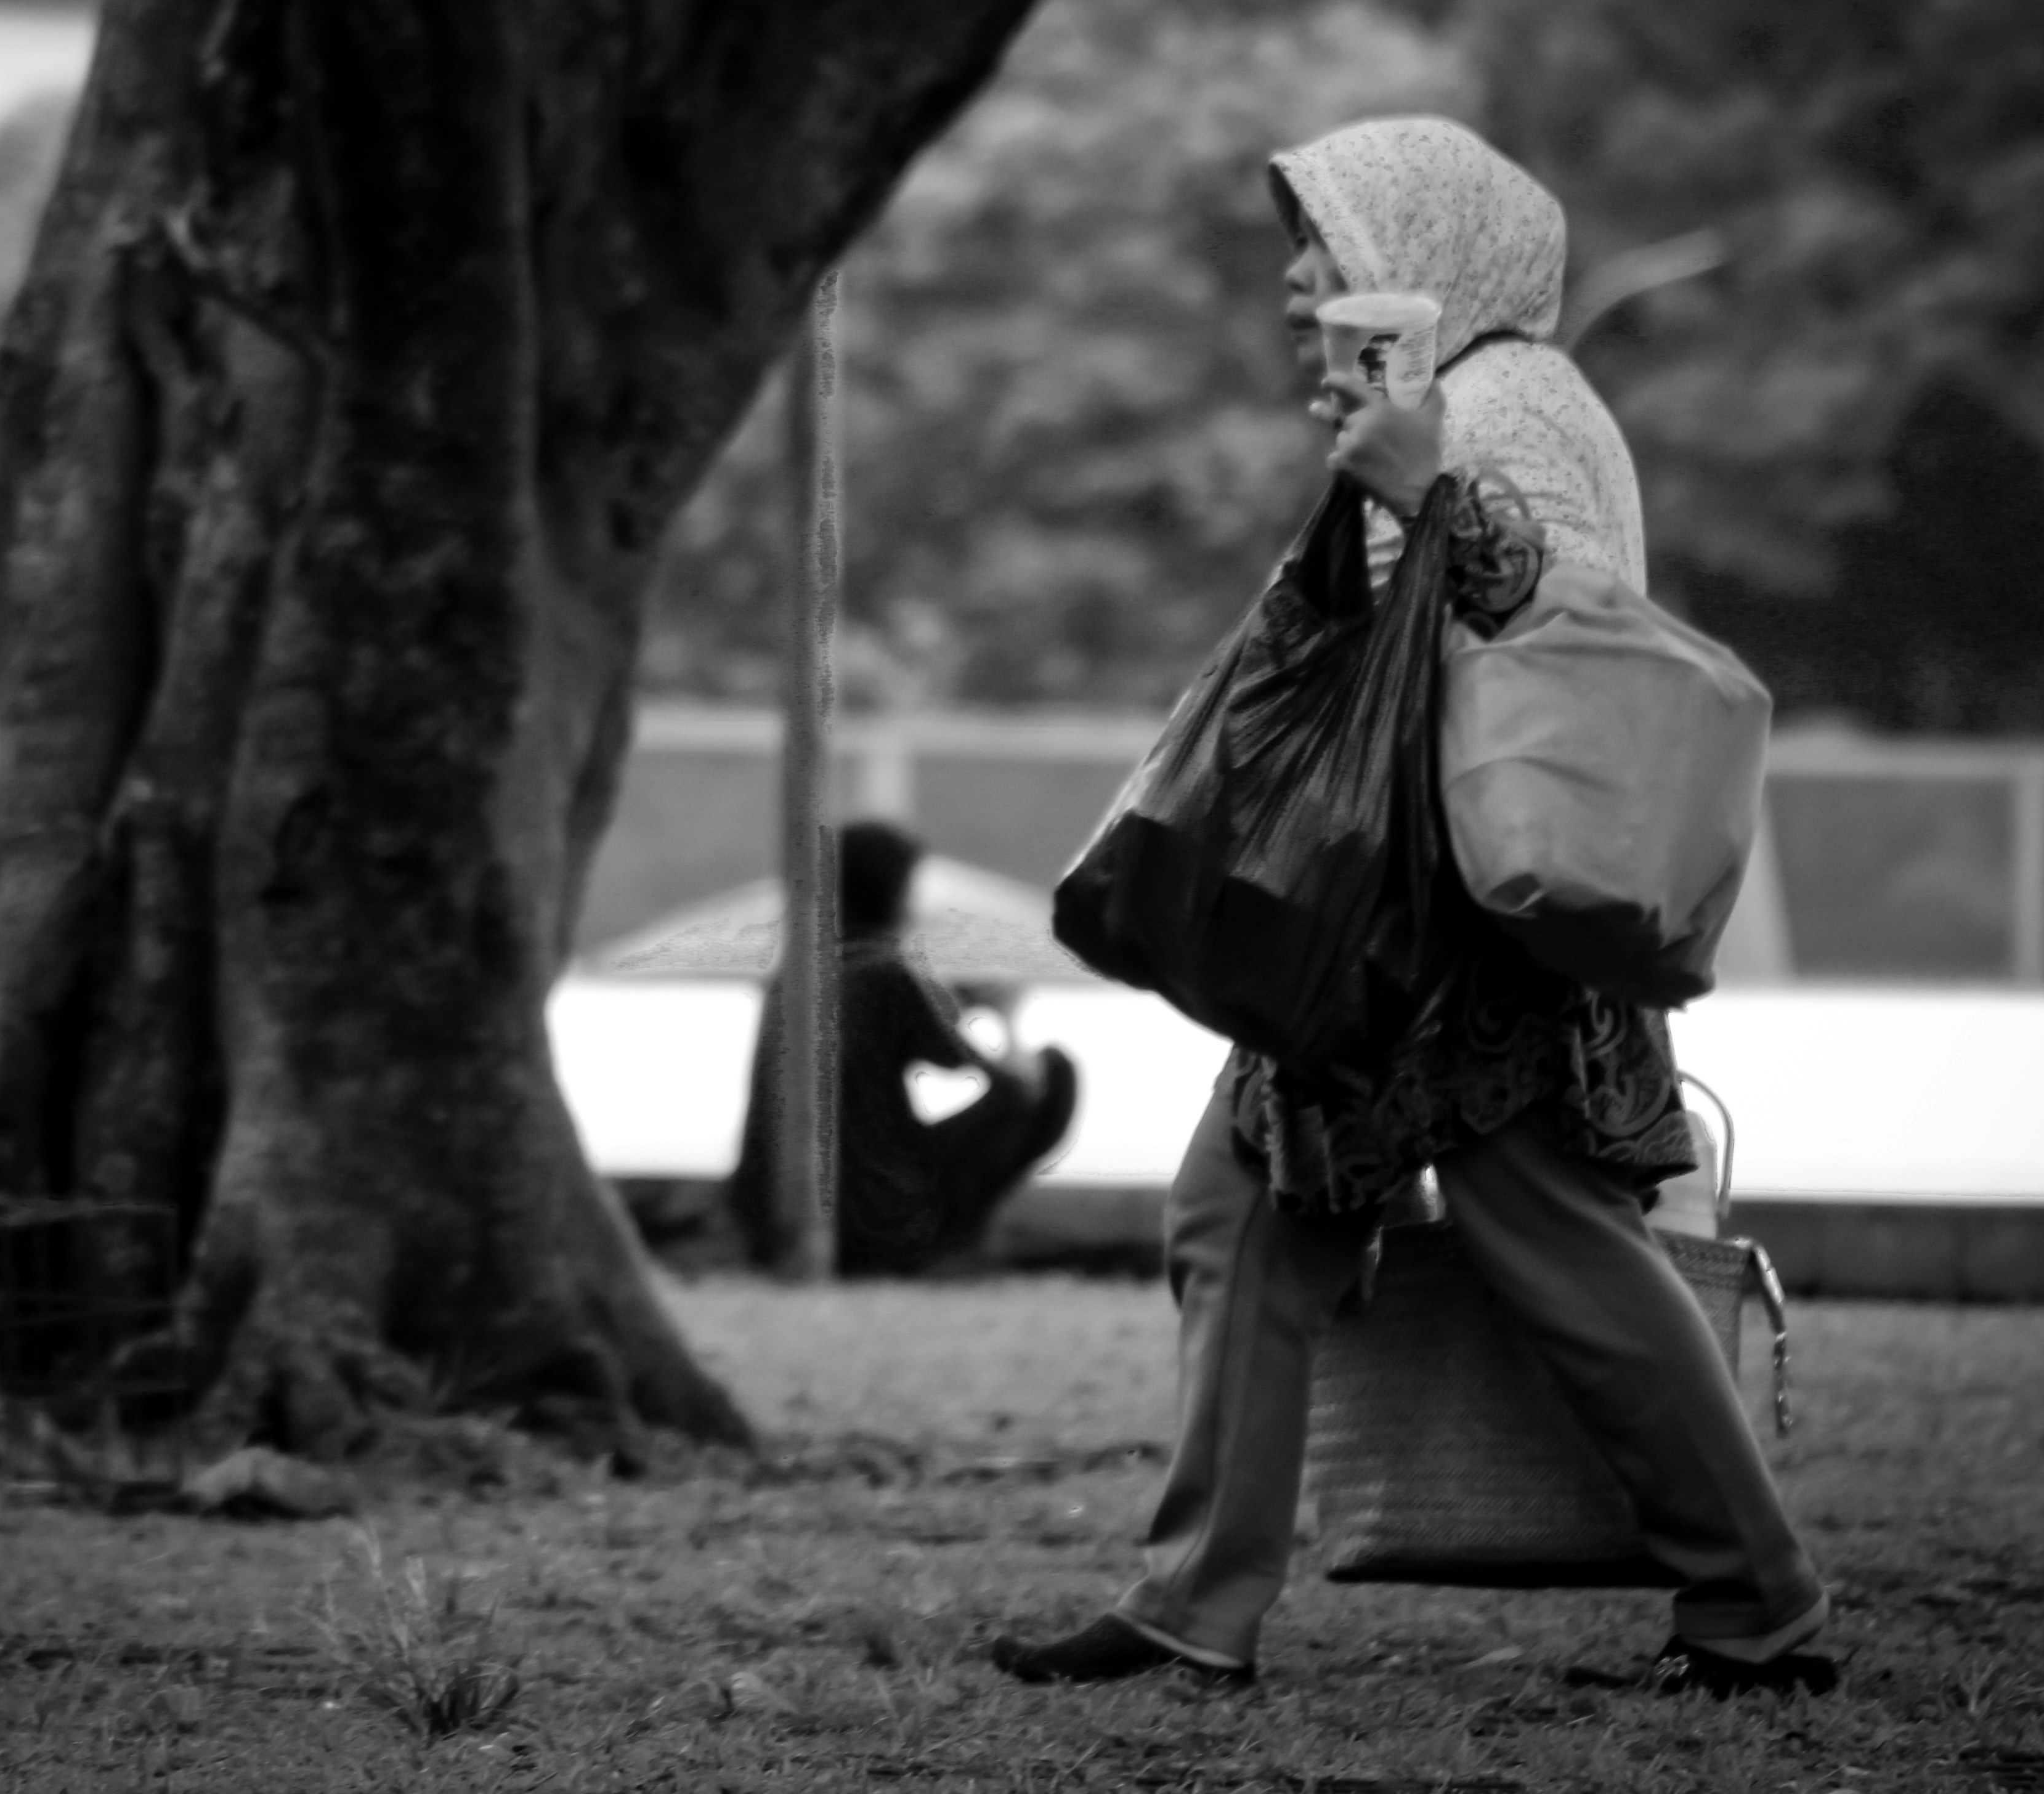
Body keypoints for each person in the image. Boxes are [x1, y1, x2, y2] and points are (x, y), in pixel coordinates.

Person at [990, 116, 1831, 1699]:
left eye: (1328, 244)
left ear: (1422, 253)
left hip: (1458, 932)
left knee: (1547, 1249)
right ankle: (1197, 1603)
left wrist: (1428, 480)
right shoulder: (1467, 400)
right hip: (1393, 914)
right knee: (1250, 1219)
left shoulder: (1506, 401)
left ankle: (1758, 1600)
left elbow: (1566, 635)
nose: (1298, 281)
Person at [728, 819, 1079, 1277]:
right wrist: (1007, 1016)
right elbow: (1017, 1086)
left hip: (770, 1218)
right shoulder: (887, 973)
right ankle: (945, 1245)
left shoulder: (796, 971)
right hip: (873, 1221)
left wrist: (955, 1003)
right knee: (1057, 1073)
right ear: (899, 894)